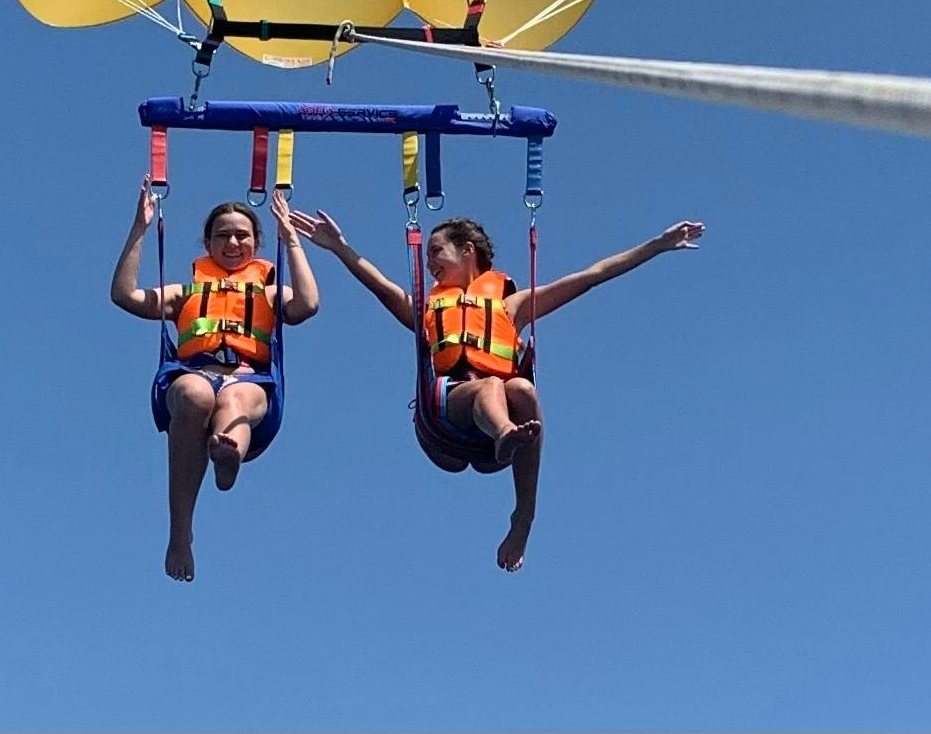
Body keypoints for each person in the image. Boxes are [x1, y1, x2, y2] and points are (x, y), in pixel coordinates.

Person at [291, 207, 702, 571]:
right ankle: (506, 432)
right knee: (495, 384)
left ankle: (523, 515)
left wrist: (656, 246)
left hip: (495, 434)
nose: (429, 261)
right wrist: (341, 248)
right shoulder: (426, 307)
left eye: (436, 251)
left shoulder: (511, 306)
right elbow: (378, 283)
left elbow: (592, 276)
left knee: (522, 388)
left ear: (468, 250)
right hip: (445, 423)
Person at [110, 188, 318, 581]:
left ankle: (227, 458)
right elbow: (124, 295)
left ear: (256, 243)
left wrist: (291, 238)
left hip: (249, 379)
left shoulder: (271, 293)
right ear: (207, 243)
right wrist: (140, 228)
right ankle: (180, 532)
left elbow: (307, 305)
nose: (233, 242)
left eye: (242, 235)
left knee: (235, 399)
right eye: (222, 235)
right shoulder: (184, 293)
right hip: (194, 374)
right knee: (194, 394)